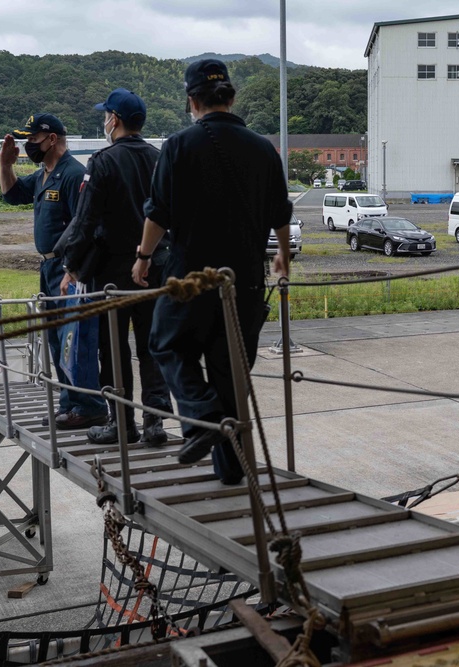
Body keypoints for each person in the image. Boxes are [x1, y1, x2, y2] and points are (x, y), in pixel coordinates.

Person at [133, 59, 292, 484]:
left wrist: (144, 257)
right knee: (230, 373)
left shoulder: (180, 145)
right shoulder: (263, 148)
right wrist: (282, 254)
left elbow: (158, 212)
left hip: (192, 276)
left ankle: (201, 418)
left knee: (166, 343)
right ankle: (233, 472)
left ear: (192, 100)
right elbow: (281, 209)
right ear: (232, 96)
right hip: (245, 279)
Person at [61, 88, 173, 446]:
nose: (104, 120)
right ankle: (155, 422)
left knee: (113, 347)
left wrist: (71, 264)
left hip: (112, 270)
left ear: (115, 120)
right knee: (152, 346)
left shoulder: (103, 160)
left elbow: (85, 218)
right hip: (154, 264)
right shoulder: (159, 158)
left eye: (106, 115)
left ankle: (121, 422)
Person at [0, 113, 108, 430]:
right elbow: (12, 195)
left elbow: (84, 226)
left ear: (51, 139)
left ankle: (89, 405)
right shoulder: (43, 174)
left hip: (67, 268)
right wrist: (5, 165)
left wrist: (72, 270)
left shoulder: (73, 174)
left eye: (32, 139)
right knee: (56, 339)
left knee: (73, 339)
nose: (28, 145)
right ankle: (70, 403)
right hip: (47, 266)